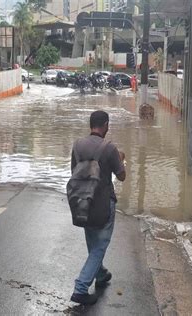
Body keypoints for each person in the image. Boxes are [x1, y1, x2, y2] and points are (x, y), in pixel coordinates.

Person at [70, 111, 126, 305]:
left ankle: (100, 274)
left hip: (83, 202)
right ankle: (81, 287)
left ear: (91, 125)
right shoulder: (109, 148)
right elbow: (122, 176)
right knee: (100, 245)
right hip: (104, 204)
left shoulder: (77, 145)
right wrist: (121, 159)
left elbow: (74, 173)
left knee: (94, 243)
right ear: (106, 125)